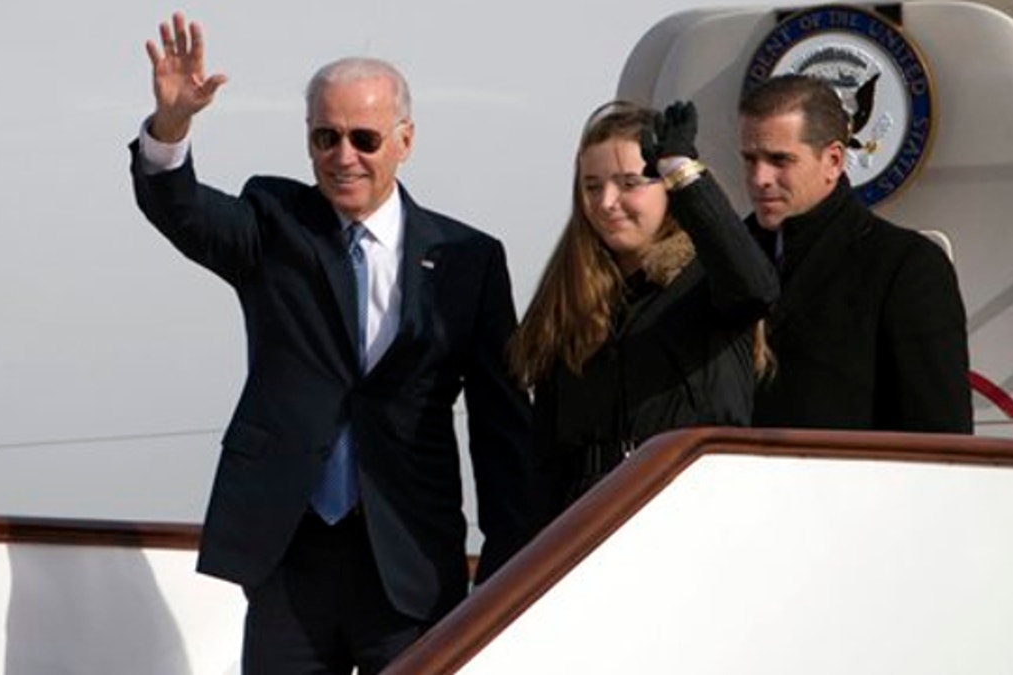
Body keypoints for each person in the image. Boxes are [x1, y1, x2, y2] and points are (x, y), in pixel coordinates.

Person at [129, 13, 534, 674]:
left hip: (410, 561)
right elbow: (183, 211)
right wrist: (171, 126)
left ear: (405, 139)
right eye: (326, 137)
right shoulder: (274, 221)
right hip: (290, 554)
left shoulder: (468, 259)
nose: (344, 156)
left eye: (364, 138)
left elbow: (501, 425)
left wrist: (508, 564)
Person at [508, 100, 779, 520]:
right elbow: (544, 459)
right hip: (589, 525)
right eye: (592, 186)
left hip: (694, 514)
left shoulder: (707, 281)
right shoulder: (569, 296)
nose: (606, 202)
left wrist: (684, 173)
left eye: (629, 183)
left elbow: (756, 287)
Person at [738, 74, 973, 433]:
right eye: (750, 159)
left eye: (779, 160)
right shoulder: (721, 259)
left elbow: (939, 437)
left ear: (833, 160)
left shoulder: (905, 266)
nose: (760, 178)